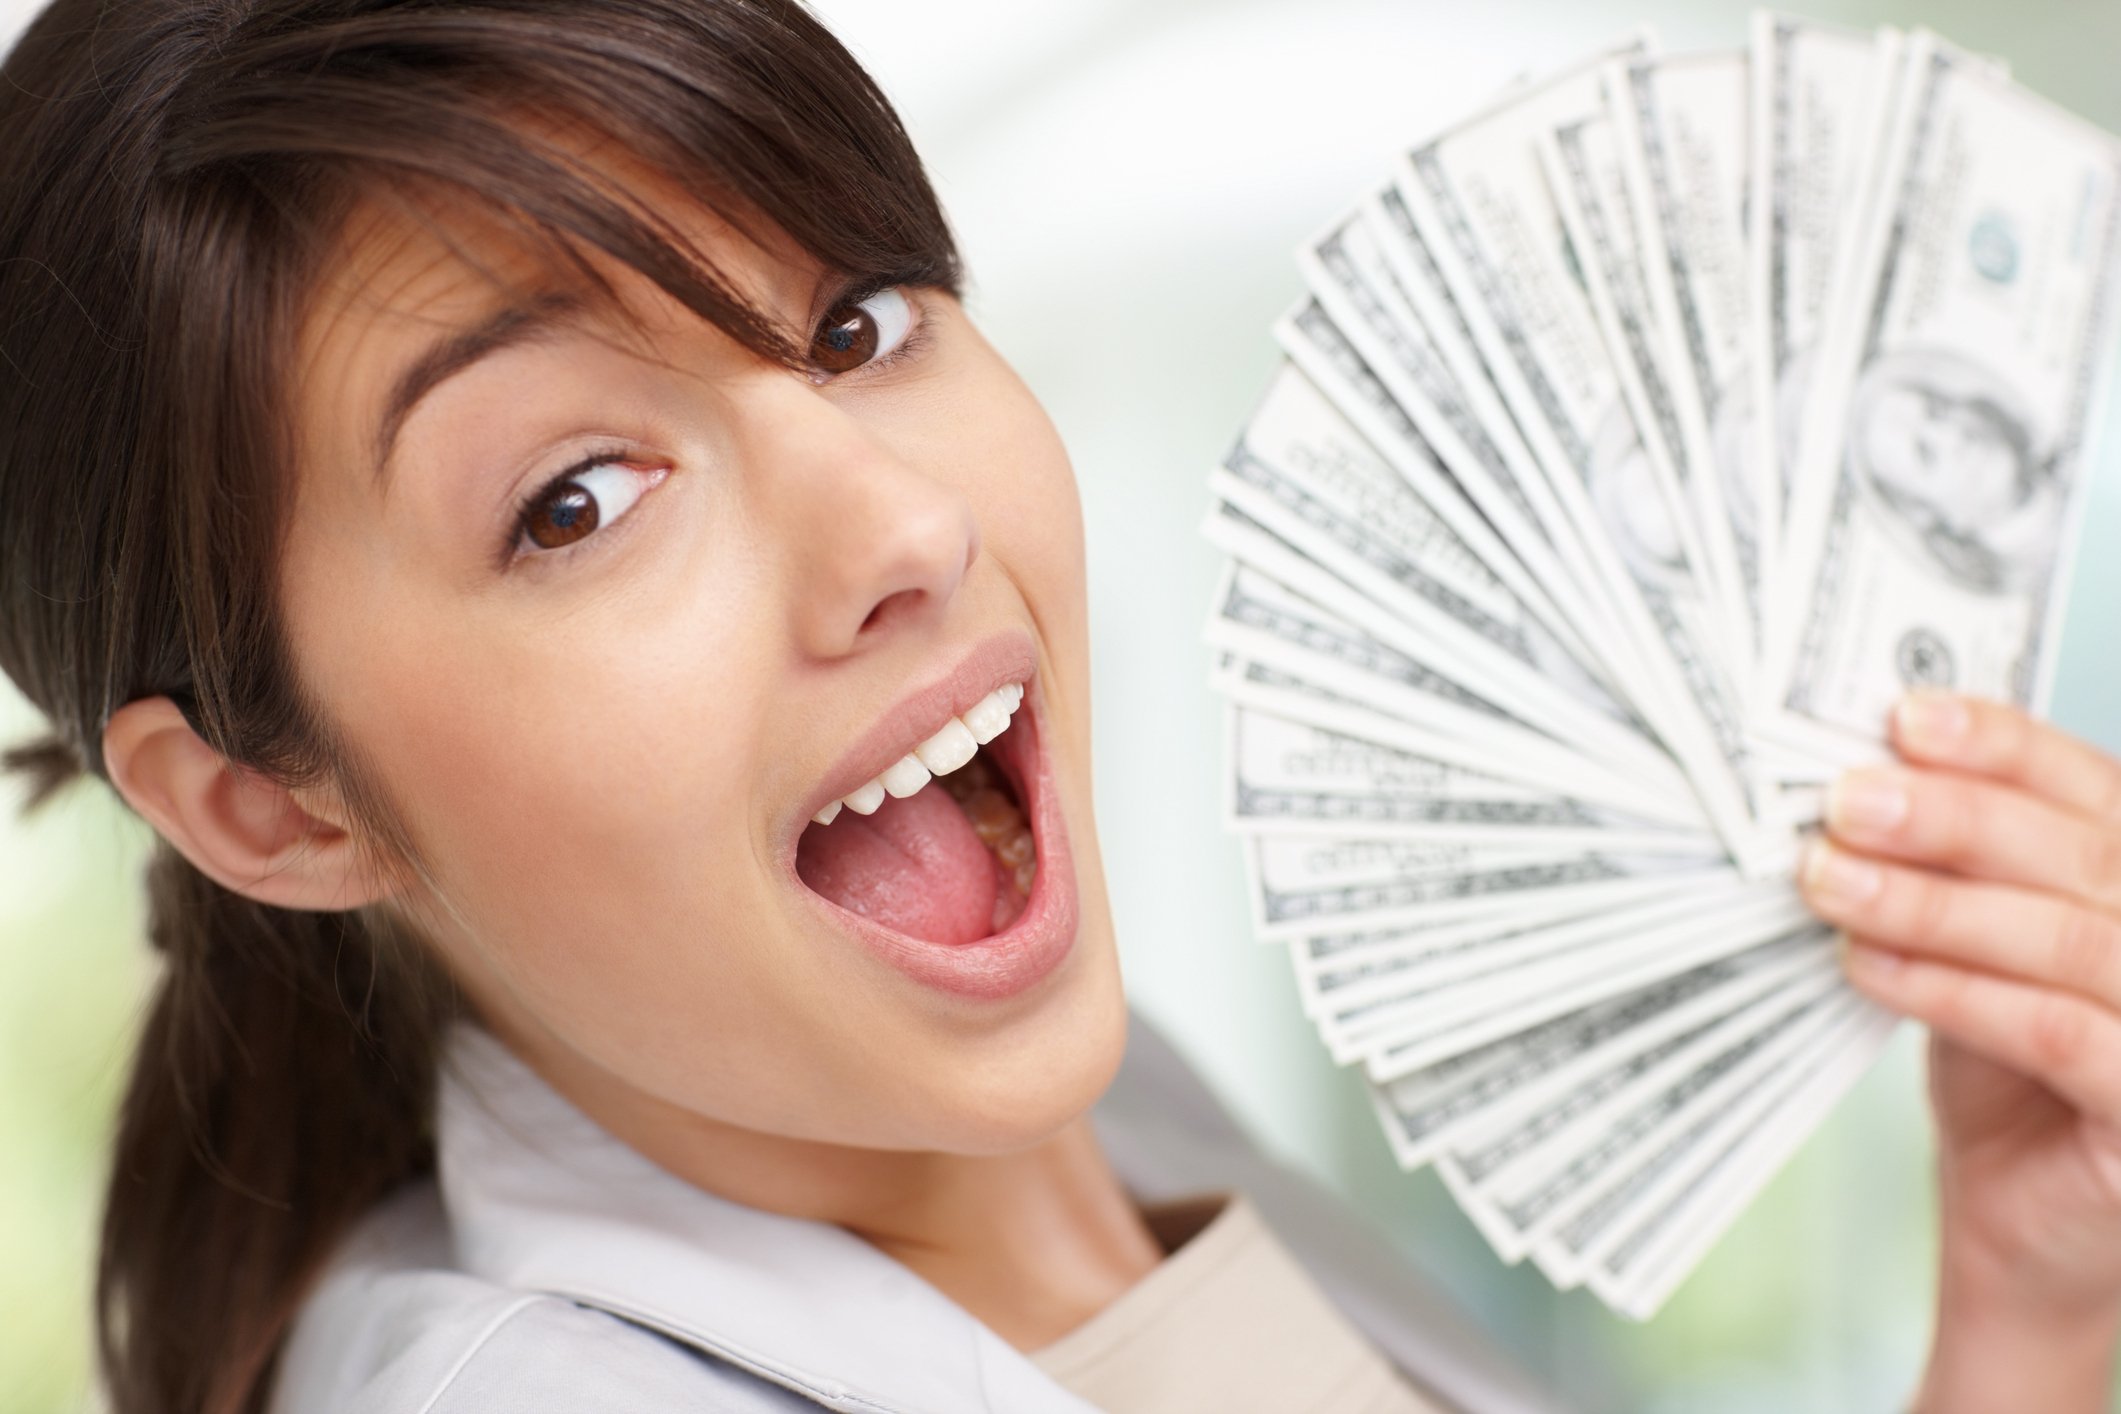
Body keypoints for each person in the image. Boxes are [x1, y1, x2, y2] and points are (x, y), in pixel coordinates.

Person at [0, 3, 2118, 1412]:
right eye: (576, 497)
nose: (903, 518)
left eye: (856, 317)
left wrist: (2026, 1299)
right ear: (270, 808)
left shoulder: (1112, 1133)